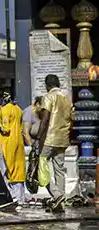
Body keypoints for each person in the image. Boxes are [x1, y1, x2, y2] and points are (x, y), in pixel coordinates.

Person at [36, 74, 73, 212]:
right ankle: (60, 203)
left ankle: (56, 195)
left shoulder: (48, 97)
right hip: (63, 138)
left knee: (41, 167)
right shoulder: (67, 99)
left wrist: (38, 137)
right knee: (59, 169)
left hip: (49, 138)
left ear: (47, 85)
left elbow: (45, 119)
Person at [0, 91, 26, 206]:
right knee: (17, 171)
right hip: (18, 142)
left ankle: (12, 197)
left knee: (0, 171)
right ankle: (21, 199)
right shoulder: (19, 110)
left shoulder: (5, 109)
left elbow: (5, 129)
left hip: (6, 143)